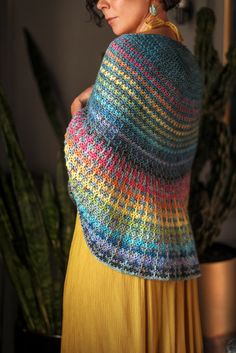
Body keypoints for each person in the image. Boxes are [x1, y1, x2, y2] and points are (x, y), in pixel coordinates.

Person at [61, 0, 204, 352]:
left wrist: (78, 110)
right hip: (170, 259)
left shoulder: (127, 53)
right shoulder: (186, 63)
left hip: (115, 252)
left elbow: (88, 162)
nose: (101, 3)